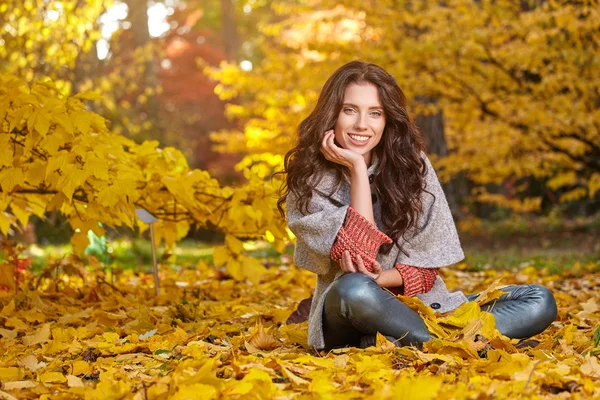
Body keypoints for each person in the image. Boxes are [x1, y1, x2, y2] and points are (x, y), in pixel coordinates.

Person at [276, 60, 559, 352]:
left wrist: (382, 278)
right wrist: (358, 169)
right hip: (349, 310)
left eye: (375, 113)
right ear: (331, 114)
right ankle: (451, 345)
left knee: (538, 300)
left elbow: (425, 271)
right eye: (350, 110)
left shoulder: (412, 166)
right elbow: (360, 259)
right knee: (355, 290)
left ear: (387, 121)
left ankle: (417, 339)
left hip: (421, 309)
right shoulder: (309, 178)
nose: (362, 124)